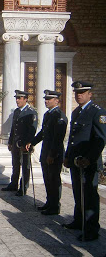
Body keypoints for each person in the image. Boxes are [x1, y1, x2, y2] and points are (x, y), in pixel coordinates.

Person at [62, 81, 106, 241]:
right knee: (78, 192)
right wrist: (67, 156)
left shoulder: (97, 112)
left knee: (89, 196)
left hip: (88, 163)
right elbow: (73, 138)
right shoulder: (76, 112)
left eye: (82, 92)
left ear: (90, 94)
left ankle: (91, 230)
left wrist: (89, 159)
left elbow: (100, 139)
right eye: (76, 93)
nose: (78, 95)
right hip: (76, 162)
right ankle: (78, 221)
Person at [26, 90, 67, 215]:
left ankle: (55, 206)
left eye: (49, 99)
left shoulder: (59, 115)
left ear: (57, 101)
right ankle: (49, 203)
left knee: (54, 180)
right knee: (47, 179)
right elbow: (43, 133)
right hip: (46, 152)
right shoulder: (48, 115)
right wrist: (32, 142)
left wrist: (52, 155)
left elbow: (58, 138)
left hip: (54, 154)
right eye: (45, 99)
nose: (46, 101)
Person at [2, 90, 38, 196]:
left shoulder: (31, 112)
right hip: (16, 142)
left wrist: (28, 143)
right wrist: (10, 142)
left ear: (25, 99)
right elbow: (14, 128)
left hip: (24, 144)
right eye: (16, 98)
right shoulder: (17, 111)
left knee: (25, 166)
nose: (17, 100)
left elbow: (32, 130)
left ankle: (23, 188)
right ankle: (13, 184)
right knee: (15, 165)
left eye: (19, 98)